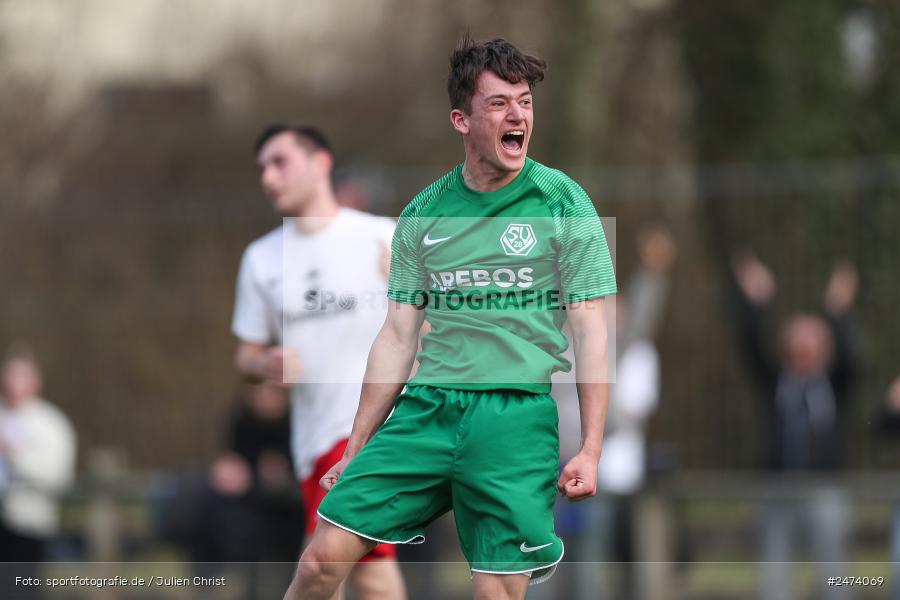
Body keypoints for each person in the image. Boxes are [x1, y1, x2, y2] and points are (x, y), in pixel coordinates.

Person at [287, 37, 617, 600]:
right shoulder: (423, 210)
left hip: (514, 422)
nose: (518, 115)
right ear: (461, 120)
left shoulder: (564, 202)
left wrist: (590, 447)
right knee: (320, 562)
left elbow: (590, 327)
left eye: (525, 102)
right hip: (427, 410)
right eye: (499, 104)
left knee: (495, 594)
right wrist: (357, 445)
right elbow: (396, 335)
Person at [232, 124, 405, 599]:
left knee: (328, 564)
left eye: (280, 162)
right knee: (356, 570)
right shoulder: (262, 259)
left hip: (382, 432)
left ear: (320, 164)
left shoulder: (382, 237)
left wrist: (411, 298)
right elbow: (244, 353)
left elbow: (434, 332)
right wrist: (265, 362)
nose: (268, 177)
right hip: (316, 441)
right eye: (262, 168)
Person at [730, 252, 859, 600]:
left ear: (823, 348)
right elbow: (750, 347)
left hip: (826, 489)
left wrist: (839, 311)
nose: (803, 347)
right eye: (797, 340)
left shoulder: (834, 385)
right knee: (775, 581)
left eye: (811, 340)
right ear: (787, 347)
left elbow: (852, 357)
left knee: (836, 578)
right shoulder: (776, 383)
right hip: (777, 491)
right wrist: (757, 301)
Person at [0, 348, 76, 598]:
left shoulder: (50, 424)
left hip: (28, 525)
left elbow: (57, 477)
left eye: (22, 376)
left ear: (36, 380)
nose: (15, 383)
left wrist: (15, 455)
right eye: (11, 376)